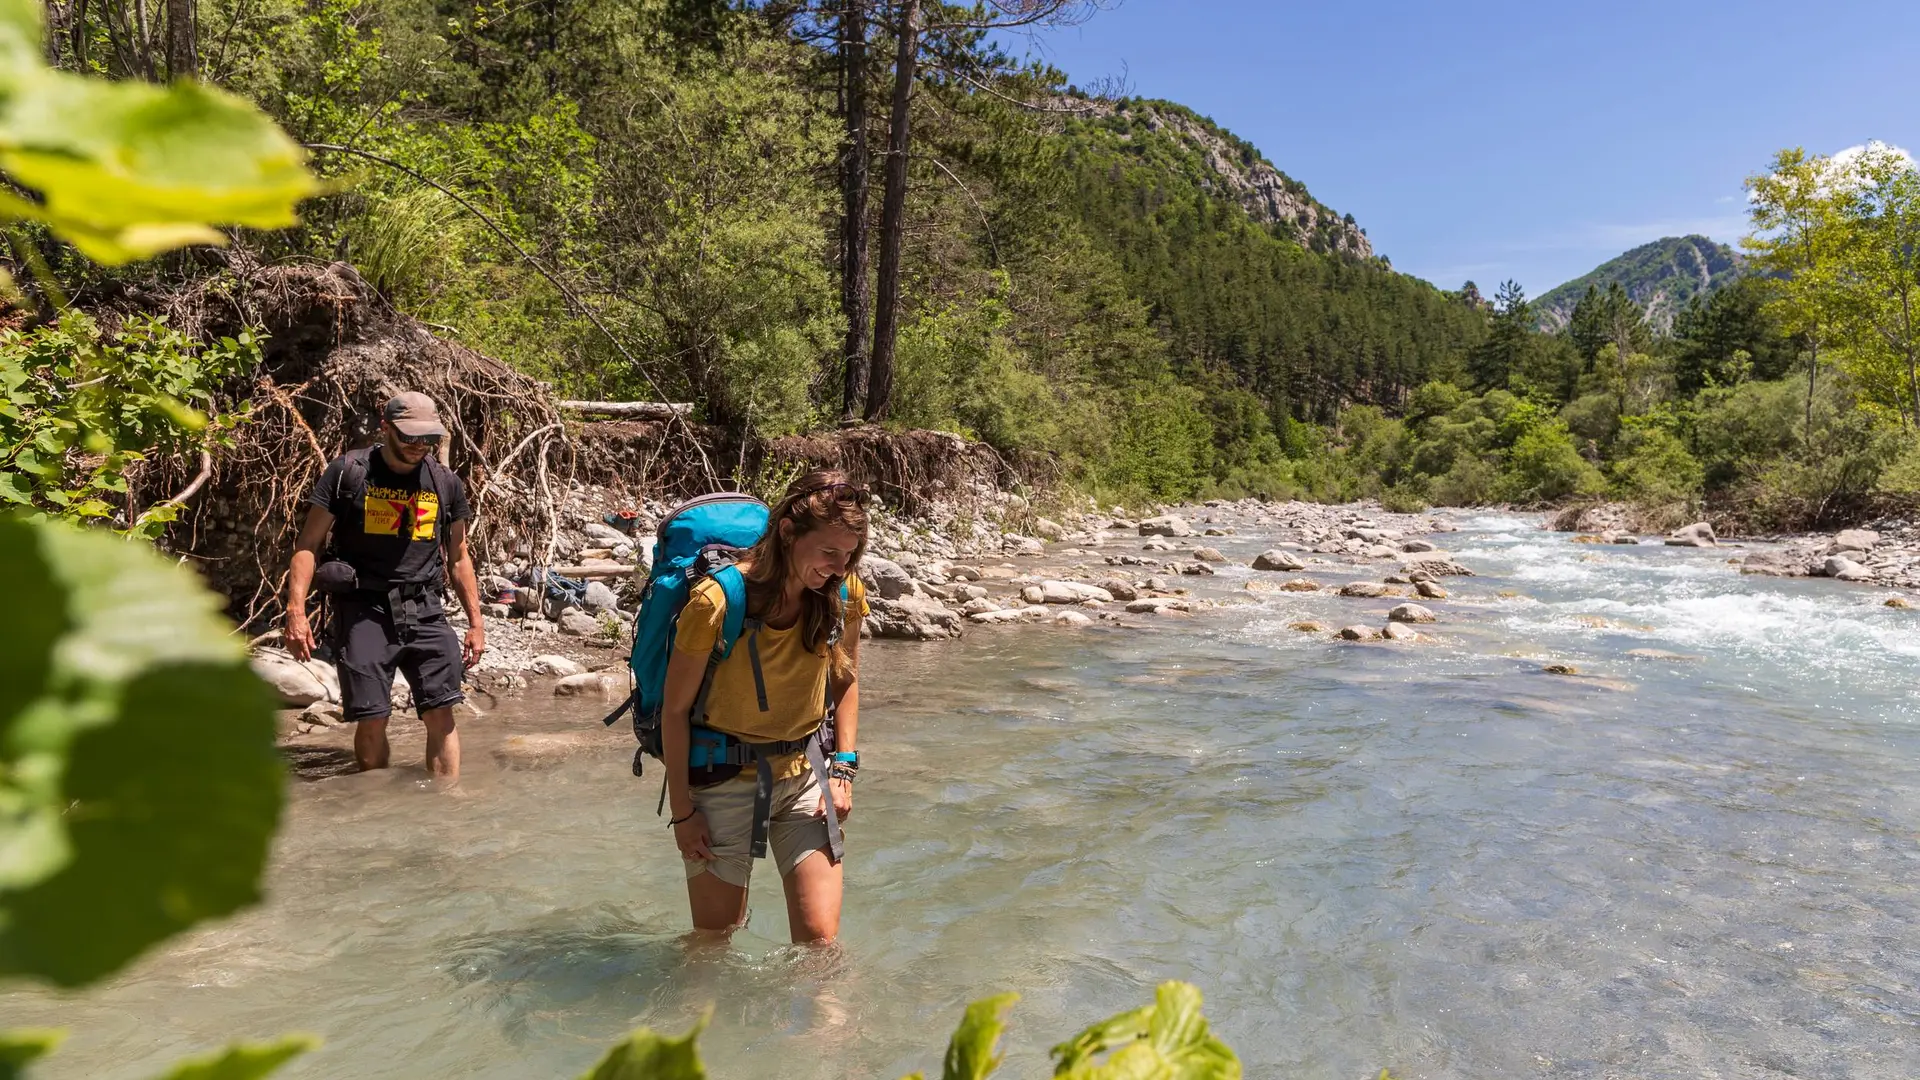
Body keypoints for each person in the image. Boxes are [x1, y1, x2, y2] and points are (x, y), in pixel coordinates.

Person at [662, 472, 871, 943]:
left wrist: (845, 767)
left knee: (819, 943)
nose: (839, 568)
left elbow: (845, 681)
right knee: (714, 940)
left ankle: (827, 1020)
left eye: (849, 555)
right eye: (829, 552)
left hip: (805, 775)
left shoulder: (844, 593)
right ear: (788, 532)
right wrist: (682, 813)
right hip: (721, 781)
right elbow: (673, 712)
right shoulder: (717, 601)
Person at [283, 392, 485, 779]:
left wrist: (476, 622)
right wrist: (296, 612)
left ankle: (447, 810)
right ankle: (374, 804)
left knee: (441, 711)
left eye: (428, 439)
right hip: (364, 610)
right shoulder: (348, 472)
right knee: (373, 717)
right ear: (385, 427)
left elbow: (459, 557)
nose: (419, 446)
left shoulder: (444, 483)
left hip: (426, 608)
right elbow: (307, 545)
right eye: (410, 437)